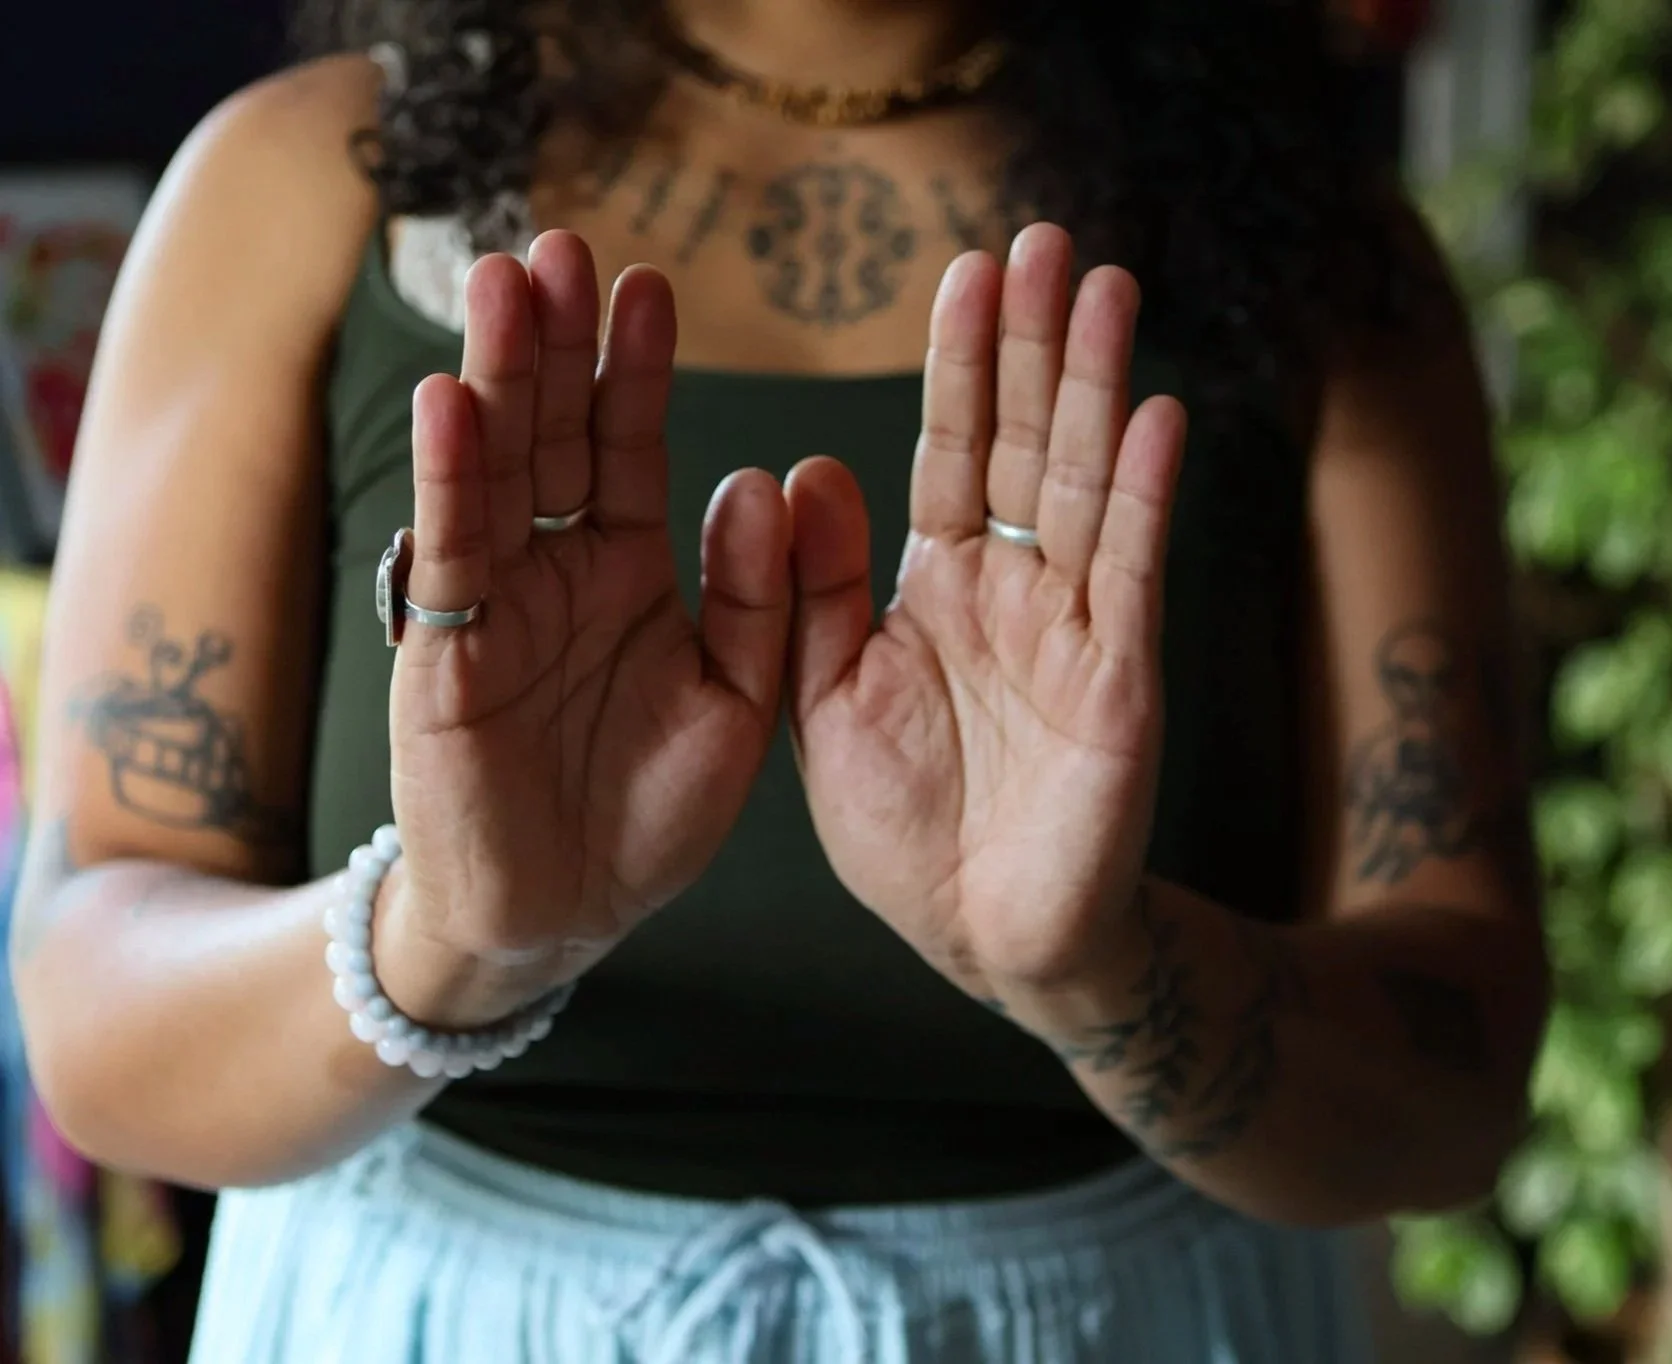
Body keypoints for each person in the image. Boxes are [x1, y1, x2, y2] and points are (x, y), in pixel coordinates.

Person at [9, 0, 1550, 1359]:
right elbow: (98, 1028)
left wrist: (1097, 968)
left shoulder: (1304, 245)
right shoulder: (307, 184)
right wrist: (449, 934)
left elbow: (1455, 1090)